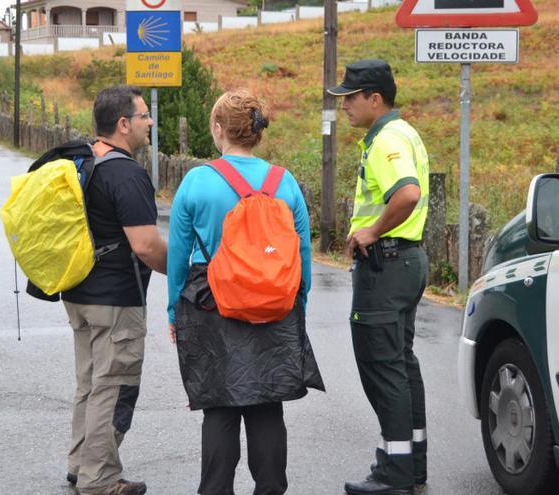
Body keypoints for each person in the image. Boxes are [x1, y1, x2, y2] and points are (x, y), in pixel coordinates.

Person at [167, 89, 325, 495]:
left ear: (219, 129)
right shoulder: (284, 183)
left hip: (212, 304)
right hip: (275, 306)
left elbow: (179, 260)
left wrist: (173, 314)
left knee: (220, 407)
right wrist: (297, 305)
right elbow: (302, 255)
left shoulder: (197, 182)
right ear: (256, 133)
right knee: (266, 406)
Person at [327, 59, 430, 495]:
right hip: (405, 261)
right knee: (401, 366)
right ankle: (411, 460)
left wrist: (371, 229)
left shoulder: (388, 138)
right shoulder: (402, 133)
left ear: (375, 98)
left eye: (350, 97)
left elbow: (407, 193)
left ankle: (395, 473)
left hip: (385, 266)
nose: (344, 106)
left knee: (382, 367)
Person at [62, 85, 167, 495]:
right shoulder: (125, 172)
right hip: (115, 300)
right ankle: (100, 478)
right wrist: (182, 272)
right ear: (124, 124)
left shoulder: (83, 159)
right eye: (144, 117)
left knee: (90, 382)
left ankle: (80, 463)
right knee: (115, 384)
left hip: (79, 292)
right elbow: (145, 245)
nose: (150, 122)